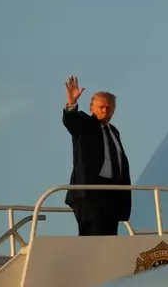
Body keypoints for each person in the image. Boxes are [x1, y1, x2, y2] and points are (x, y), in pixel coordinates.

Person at [62, 76, 132, 236]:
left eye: (109, 108)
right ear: (92, 108)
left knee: (109, 242)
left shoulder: (113, 131)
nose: (105, 111)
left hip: (111, 194)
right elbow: (70, 120)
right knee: (93, 239)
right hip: (90, 194)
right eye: (101, 107)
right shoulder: (84, 123)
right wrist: (71, 103)